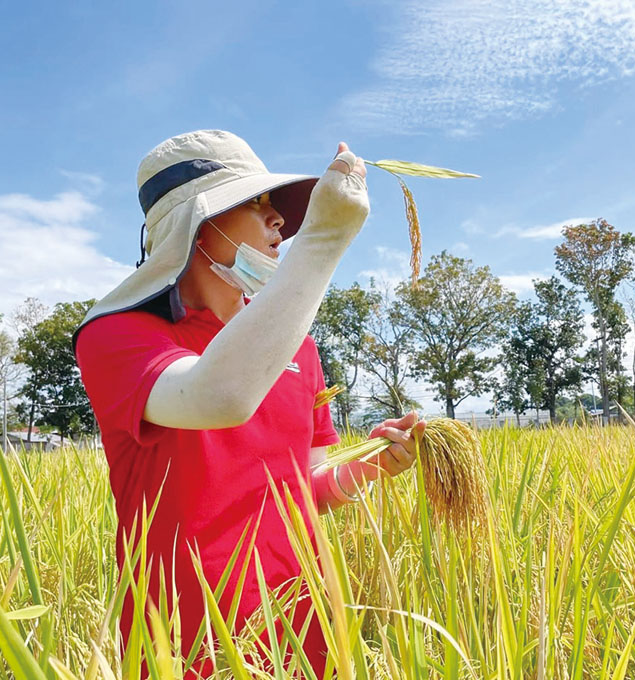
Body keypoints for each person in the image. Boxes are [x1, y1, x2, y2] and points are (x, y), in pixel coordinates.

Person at [73, 130, 425, 677]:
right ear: (198, 225)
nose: (280, 221)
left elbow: (305, 490)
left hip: (304, 626)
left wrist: (372, 465)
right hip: (187, 643)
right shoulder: (118, 337)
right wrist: (325, 239)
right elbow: (219, 395)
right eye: (256, 204)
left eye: (276, 209)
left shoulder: (299, 349)